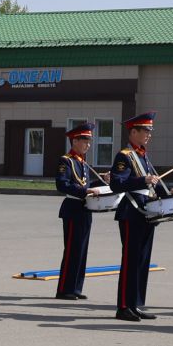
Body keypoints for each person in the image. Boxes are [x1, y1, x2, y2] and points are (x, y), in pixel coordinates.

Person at [109, 112, 170, 322]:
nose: (149, 135)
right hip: (131, 212)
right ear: (133, 132)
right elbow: (116, 183)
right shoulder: (124, 155)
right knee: (131, 260)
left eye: (150, 131)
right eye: (145, 131)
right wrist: (142, 179)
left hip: (146, 211)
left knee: (142, 261)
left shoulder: (142, 155)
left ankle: (136, 303)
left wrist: (169, 193)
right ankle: (124, 306)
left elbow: (151, 184)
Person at [53, 122, 99, 301]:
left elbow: (85, 185)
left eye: (89, 141)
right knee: (72, 250)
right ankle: (64, 289)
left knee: (81, 250)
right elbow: (62, 184)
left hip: (85, 209)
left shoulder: (82, 162)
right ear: (75, 141)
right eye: (85, 141)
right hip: (73, 208)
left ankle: (76, 288)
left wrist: (102, 181)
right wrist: (85, 191)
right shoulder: (66, 160)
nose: (88, 145)